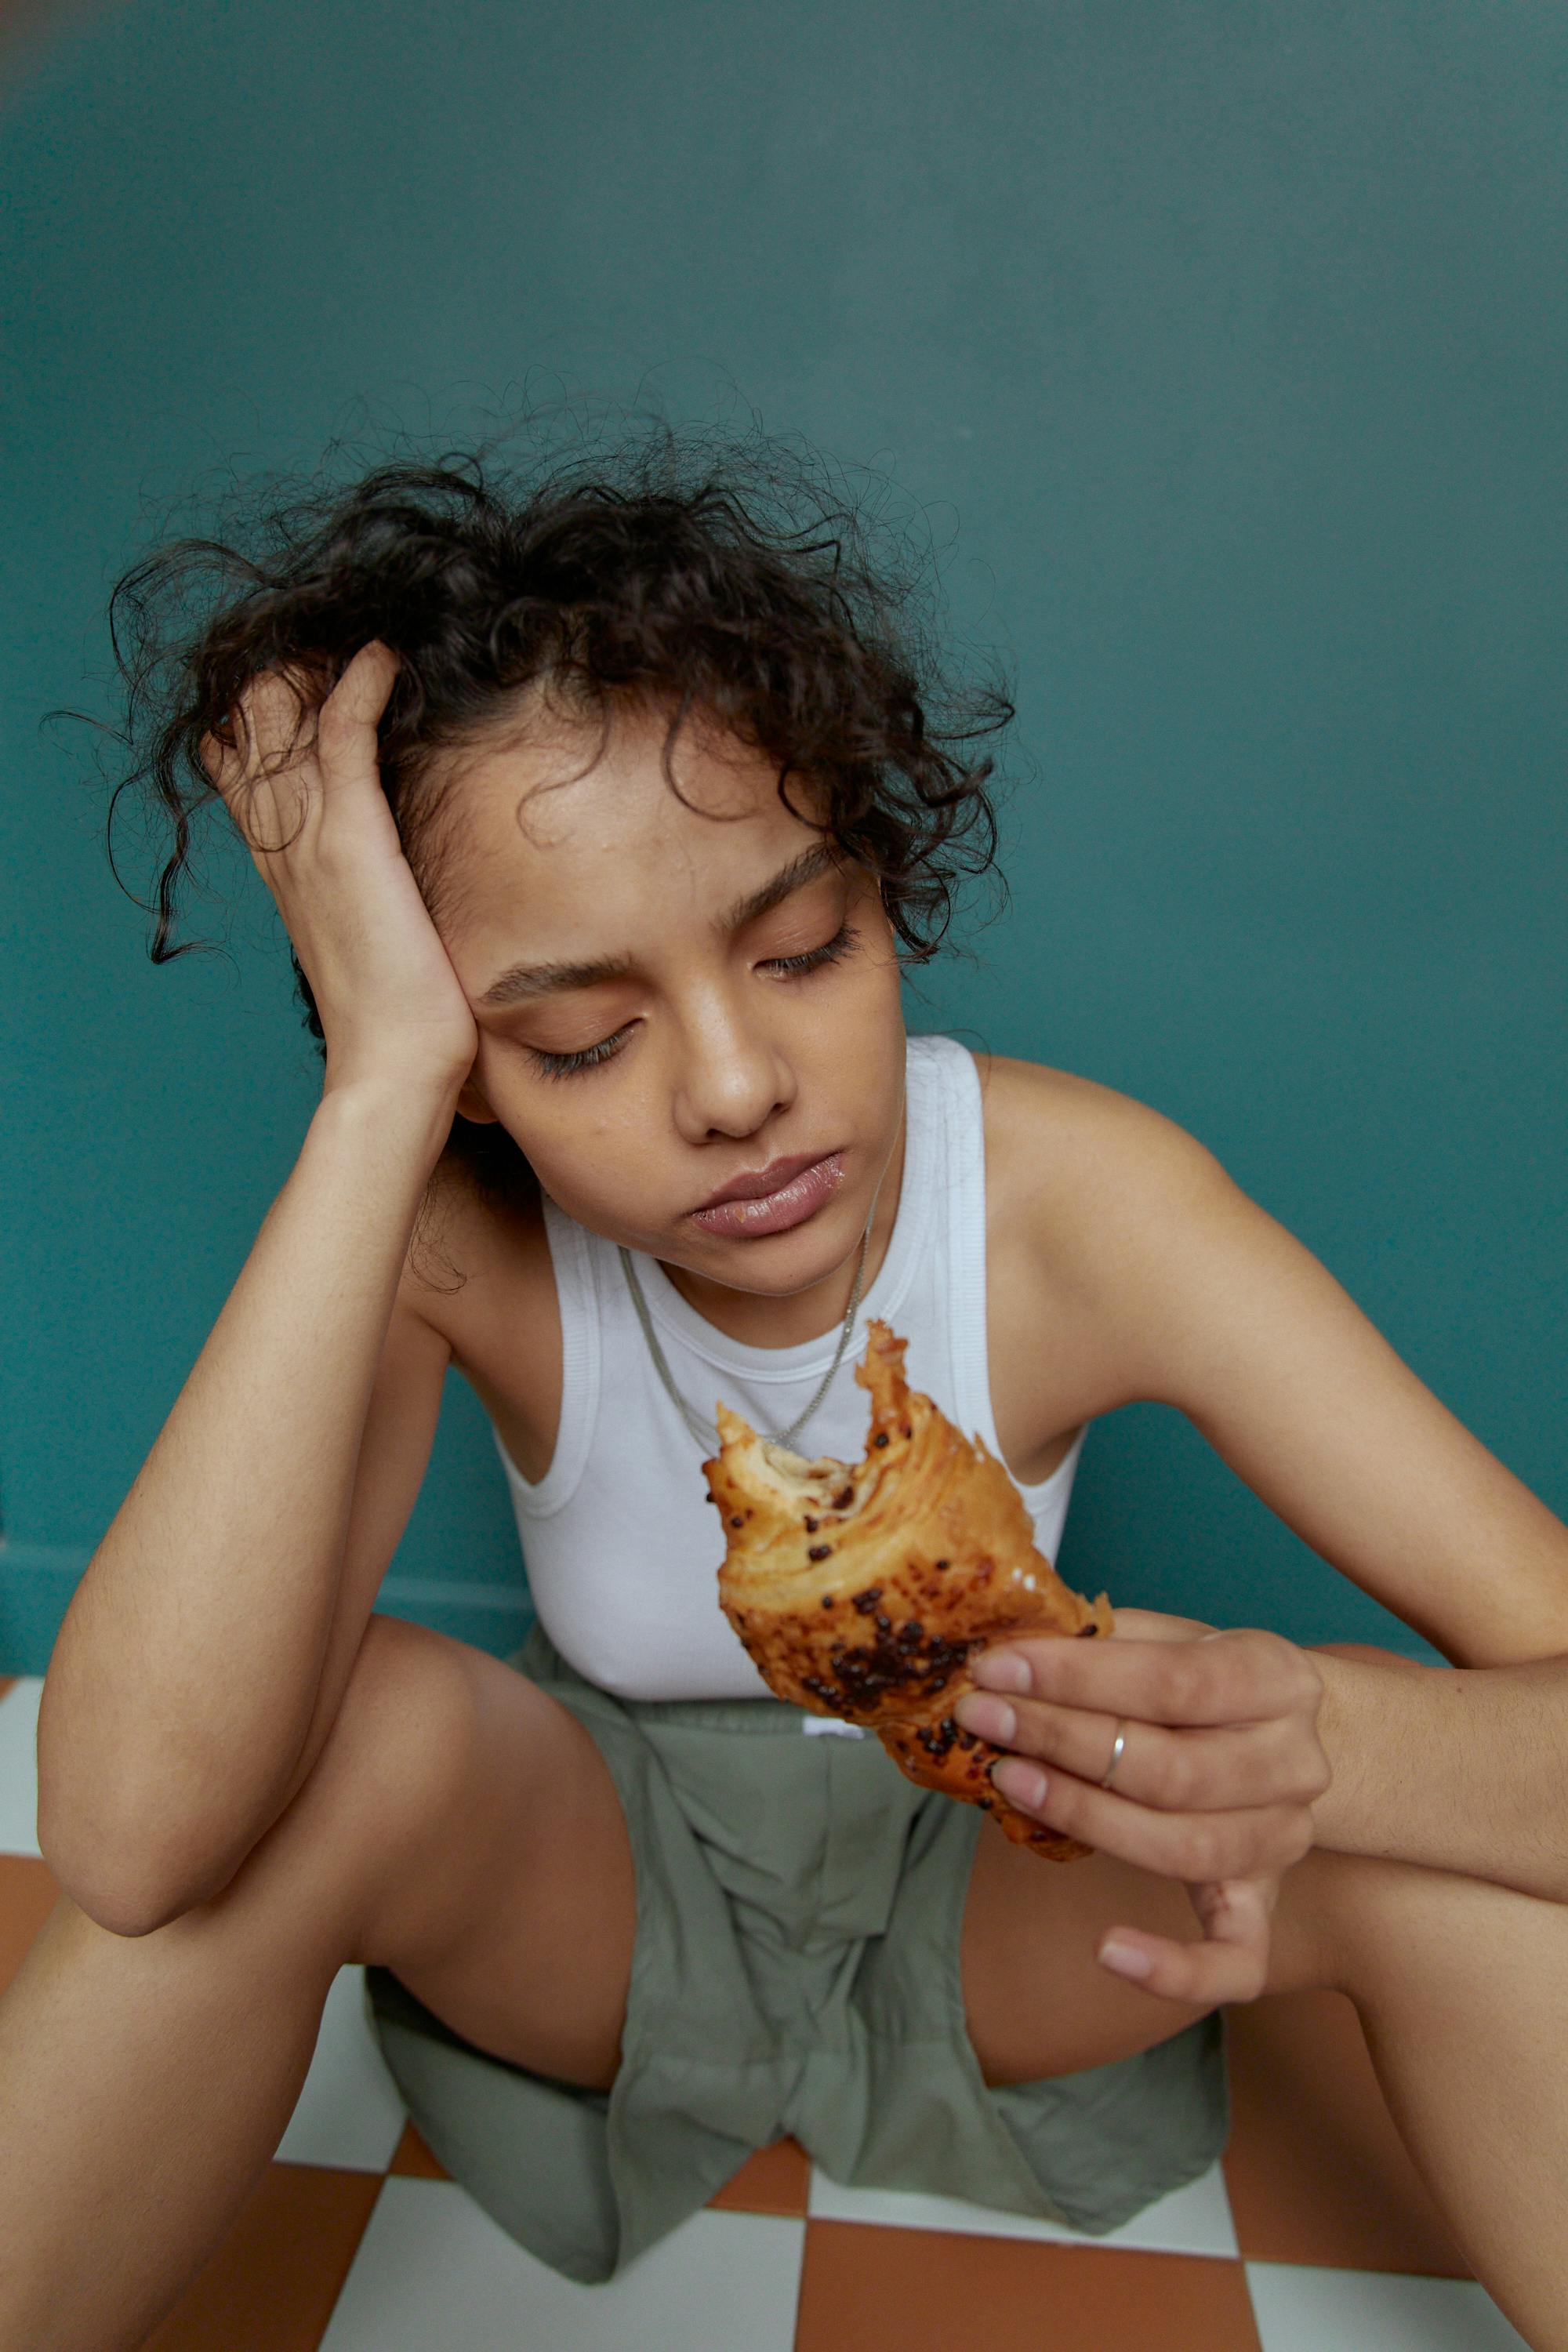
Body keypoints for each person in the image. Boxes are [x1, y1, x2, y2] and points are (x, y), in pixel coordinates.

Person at [2, 437, 1565, 2351]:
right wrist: (378, 1089)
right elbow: (133, 1844)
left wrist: (1325, 1736)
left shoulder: (1089, 1210)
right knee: (362, 1729)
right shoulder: (449, 1225)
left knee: (1438, 1823)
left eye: (805, 947)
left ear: (885, 892)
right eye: (577, 1040)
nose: (736, 1088)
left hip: (1011, 1902)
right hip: (601, 1915)